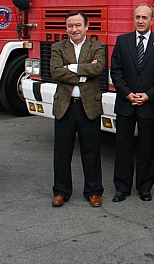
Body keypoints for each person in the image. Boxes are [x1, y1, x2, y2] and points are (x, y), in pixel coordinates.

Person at [111, 3, 154, 203]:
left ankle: (144, 187)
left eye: (144, 17)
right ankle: (122, 188)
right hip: (126, 104)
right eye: (137, 17)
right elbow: (116, 71)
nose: (140, 21)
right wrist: (127, 94)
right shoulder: (122, 41)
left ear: (152, 20)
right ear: (133, 19)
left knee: (147, 148)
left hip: (148, 105)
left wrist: (149, 95)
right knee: (123, 148)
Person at [50, 11, 106, 208]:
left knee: (91, 151)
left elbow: (98, 69)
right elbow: (55, 71)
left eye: (78, 25)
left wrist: (70, 68)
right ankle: (61, 192)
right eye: (70, 26)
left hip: (88, 107)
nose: (74, 29)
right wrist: (83, 72)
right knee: (62, 152)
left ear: (86, 27)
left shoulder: (97, 46)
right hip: (64, 106)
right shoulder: (57, 47)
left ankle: (93, 191)